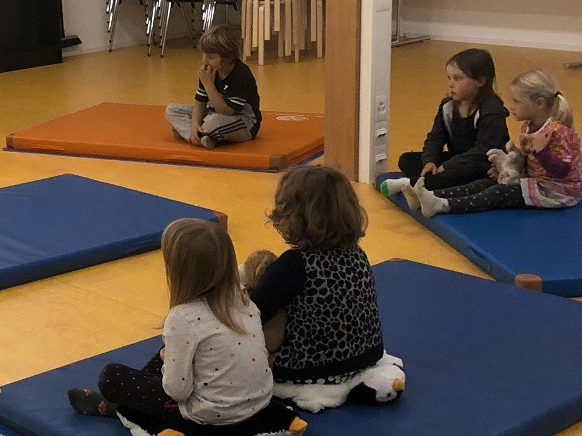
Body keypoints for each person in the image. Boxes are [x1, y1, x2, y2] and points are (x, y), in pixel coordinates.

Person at [66, 219, 304, 436]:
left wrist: (167, 364)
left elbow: (177, 391)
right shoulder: (245, 302)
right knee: (170, 353)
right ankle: (126, 404)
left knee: (111, 377)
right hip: (258, 404)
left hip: (209, 414)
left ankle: (116, 407)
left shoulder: (183, 318)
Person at [247, 166, 405, 412]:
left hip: (307, 368)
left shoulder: (295, 264)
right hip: (366, 355)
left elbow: (252, 311)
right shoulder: (357, 253)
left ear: (293, 217)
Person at [405, 70, 579, 216]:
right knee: (484, 183)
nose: (511, 106)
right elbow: (530, 161)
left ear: (539, 103)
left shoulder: (557, 132)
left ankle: (443, 205)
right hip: (534, 181)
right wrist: (507, 170)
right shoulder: (529, 126)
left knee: (498, 193)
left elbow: (562, 172)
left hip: (557, 191)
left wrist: (542, 152)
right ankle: (429, 196)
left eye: (516, 102)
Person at [381, 48, 509, 195]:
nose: (451, 84)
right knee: (407, 160)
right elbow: (435, 138)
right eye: (449, 78)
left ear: (479, 81)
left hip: (482, 164)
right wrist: (430, 161)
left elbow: (483, 151)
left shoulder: (492, 111)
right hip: (456, 160)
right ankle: (432, 183)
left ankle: (412, 184)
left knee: (470, 172)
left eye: (457, 78)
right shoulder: (447, 106)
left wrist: (449, 166)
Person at [164, 24, 261, 149]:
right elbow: (200, 102)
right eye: (204, 55)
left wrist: (209, 85)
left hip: (242, 121)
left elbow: (226, 111)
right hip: (212, 113)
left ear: (226, 59)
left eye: (210, 57)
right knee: (171, 110)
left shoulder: (241, 74)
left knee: (213, 122)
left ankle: (195, 134)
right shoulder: (208, 70)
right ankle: (197, 136)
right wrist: (194, 125)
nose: (204, 61)